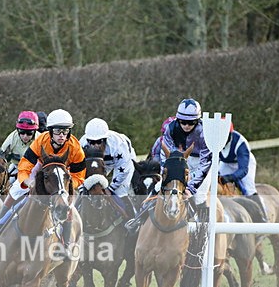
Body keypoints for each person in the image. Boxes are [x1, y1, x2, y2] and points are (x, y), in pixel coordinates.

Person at [0, 108, 86, 252]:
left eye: (65, 131)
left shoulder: (76, 148)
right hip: (40, 173)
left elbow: (79, 175)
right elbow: (24, 166)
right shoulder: (40, 141)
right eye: (57, 131)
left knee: (69, 206)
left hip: (62, 179)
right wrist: (27, 181)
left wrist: (65, 186)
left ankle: (66, 245)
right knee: (15, 191)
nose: (61, 135)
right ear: (49, 131)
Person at [126, 98, 212, 233]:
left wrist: (190, 188)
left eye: (191, 123)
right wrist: (165, 177)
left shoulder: (204, 133)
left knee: (199, 195)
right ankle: (138, 219)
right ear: (178, 119)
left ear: (198, 121)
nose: (187, 126)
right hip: (179, 162)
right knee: (158, 187)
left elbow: (205, 163)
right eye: (183, 122)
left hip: (201, 164)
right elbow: (164, 156)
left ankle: (203, 230)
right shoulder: (171, 128)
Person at [77, 117, 137, 219]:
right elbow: (78, 170)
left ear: (105, 139)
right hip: (99, 162)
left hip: (122, 163)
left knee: (120, 192)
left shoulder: (119, 145)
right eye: (92, 142)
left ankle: (132, 219)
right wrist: (83, 187)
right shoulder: (81, 145)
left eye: (99, 141)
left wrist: (110, 188)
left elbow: (123, 171)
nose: (95, 146)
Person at [219, 125, 268, 222]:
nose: (222, 139)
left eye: (224, 136)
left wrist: (230, 177)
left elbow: (243, 170)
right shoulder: (213, 140)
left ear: (230, 134)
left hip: (244, 163)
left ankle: (262, 218)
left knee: (249, 189)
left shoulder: (240, 143)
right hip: (226, 163)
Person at [0, 110, 40, 178]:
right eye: (22, 132)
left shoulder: (40, 140)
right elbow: (0, 157)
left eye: (29, 133)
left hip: (36, 168)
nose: (25, 136)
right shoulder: (11, 139)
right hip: (16, 167)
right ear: (18, 130)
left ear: (35, 131)